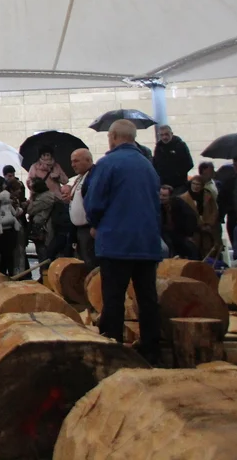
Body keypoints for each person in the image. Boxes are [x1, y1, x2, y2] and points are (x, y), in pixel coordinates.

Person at [82, 119, 161, 364]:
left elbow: (94, 202)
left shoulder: (107, 164)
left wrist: (95, 224)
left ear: (114, 136)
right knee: (147, 299)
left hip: (116, 241)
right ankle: (151, 350)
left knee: (113, 299)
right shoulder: (148, 166)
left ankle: (113, 352)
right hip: (147, 242)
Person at [69, 148, 97, 269]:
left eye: (76, 161)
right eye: (72, 161)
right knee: (83, 263)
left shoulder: (93, 176)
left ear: (88, 160)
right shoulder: (81, 177)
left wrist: (94, 224)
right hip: (79, 229)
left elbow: (95, 202)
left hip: (89, 228)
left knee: (91, 263)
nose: (73, 165)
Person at [181, 175, 220, 259]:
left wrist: (209, 224)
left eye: (198, 184)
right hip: (193, 231)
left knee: (208, 251)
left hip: (208, 229)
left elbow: (214, 211)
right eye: (193, 184)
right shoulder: (184, 198)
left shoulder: (208, 195)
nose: (195, 186)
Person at [159, 185, 199, 259]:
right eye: (160, 195)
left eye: (164, 196)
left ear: (170, 196)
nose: (161, 197)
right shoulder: (158, 206)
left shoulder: (179, 204)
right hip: (166, 233)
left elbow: (191, 217)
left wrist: (189, 234)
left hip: (181, 232)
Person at [153, 125, 193, 192]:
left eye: (166, 134)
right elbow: (155, 164)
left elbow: (189, 163)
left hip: (179, 185)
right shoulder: (158, 148)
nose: (164, 137)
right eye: (162, 135)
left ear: (171, 134)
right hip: (163, 185)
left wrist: (177, 174)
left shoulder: (180, 145)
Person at [0, 190, 21, 275]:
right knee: (5, 253)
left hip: (10, 230)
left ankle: (9, 271)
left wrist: (18, 210)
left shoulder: (9, 206)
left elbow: (14, 214)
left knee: (9, 253)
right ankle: (4, 271)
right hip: (3, 232)